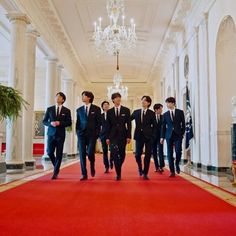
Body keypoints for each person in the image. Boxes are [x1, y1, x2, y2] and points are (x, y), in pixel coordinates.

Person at [43, 92, 72, 180]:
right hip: (51, 134)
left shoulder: (66, 110)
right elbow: (44, 121)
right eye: (56, 96)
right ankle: (57, 165)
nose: (57, 98)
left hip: (60, 134)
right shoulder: (50, 109)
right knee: (49, 152)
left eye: (59, 97)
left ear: (63, 99)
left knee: (59, 153)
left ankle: (55, 172)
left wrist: (60, 123)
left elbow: (69, 122)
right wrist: (50, 123)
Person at [76, 91, 102, 181]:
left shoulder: (97, 109)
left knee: (90, 153)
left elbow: (99, 123)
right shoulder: (79, 110)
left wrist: (97, 134)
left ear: (89, 97)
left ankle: (92, 165)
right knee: (82, 154)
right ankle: (84, 174)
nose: (82, 97)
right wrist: (77, 132)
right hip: (81, 135)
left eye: (84, 96)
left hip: (92, 135)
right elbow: (78, 122)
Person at [106, 93, 131, 181]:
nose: (118, 99)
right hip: (112, 136)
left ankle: (117, 165)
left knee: (122, 154)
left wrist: (129, 136)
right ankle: (118, 174)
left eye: (119, 97)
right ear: (113, 100)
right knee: (115, 154)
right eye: (116, 98)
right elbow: (107, 125)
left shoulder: (126, 110)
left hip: (123, 135)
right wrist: (107, 137)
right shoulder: (109, 112)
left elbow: (129, 124)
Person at [131, 96, 156, 180]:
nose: (143, 102)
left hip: (149, 137)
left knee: (148, 156)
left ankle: (145, 172)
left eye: (145, 101)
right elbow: (128, 119)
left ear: (148, 103)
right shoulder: (136, 112)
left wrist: (152, 135)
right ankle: (140, 167)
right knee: (137, 155)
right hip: (138, 136)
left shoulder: (152, 113)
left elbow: (155, 126)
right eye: (142, 100)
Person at [160, 97, 185, 177]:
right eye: (166, 103)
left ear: (173, 103)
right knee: (169, 153)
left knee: (178, 151)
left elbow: (183, 124)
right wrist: (162, 137)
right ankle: (172, 171)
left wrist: (182, 133)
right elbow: (163, 127)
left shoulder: (180, 112)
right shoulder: (165, 114)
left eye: (168, 103)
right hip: (169, 135)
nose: (167, 104)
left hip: (178, 135)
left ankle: (177, 163)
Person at [99, 100, 113, 173]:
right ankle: (106, 166)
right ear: (102, 107)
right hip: (103, 136)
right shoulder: (100, 116)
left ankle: (111, 160)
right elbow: (98, 126)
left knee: (112, 151)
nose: (106, 106)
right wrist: (99, 136)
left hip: (111, 135)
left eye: (107, 104)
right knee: (104, 152)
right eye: (105, 105)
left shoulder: (112, 115)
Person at [152, 103, 165, 173]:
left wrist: (162, 136)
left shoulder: (163, 117)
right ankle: (156, 166)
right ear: (156, 110)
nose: (161, 110)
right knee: (154, 152)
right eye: (160, 109)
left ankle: (161, 166)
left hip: (160, 137)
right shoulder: (151, 117)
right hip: (152, 137)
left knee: (160, 151)